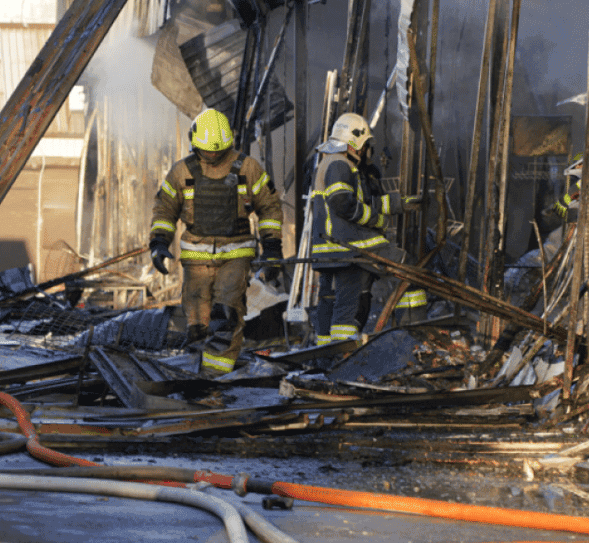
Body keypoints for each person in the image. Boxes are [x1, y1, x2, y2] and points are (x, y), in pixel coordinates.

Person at [149, 108, 283, 376]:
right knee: (198, 319)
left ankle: (217, 374)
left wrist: (272, 248)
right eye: (205, 152)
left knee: (227, 310)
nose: (211, 157)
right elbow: (165, 209)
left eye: (216, 152)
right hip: (196, 256)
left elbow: (269, 207)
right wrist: (159, 242)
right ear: (194, 143)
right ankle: (197, 368)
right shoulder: (182, 171)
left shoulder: (247, 168)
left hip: (236, 252)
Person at [308, 113, 429, 345]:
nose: (366, 152)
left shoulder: (330, 162)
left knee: (335, 301)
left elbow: (362, 201)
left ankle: (323, 358)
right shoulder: (340, 165)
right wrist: (374, 220)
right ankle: (414, 336)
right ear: (355, 144)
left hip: (332, 249)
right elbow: (343, 203)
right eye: (365, 146)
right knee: (407, 269)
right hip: (351, 247)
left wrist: (398, 203)